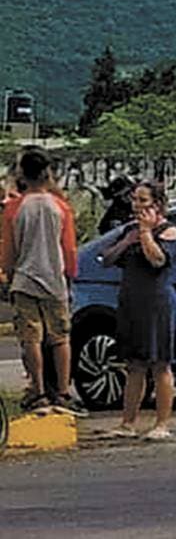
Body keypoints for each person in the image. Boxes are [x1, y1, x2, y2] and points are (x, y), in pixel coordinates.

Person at [0, 149, 86, 416]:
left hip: (25, 280)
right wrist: (70, 274)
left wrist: (9, 274)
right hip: (54, 280)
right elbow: (69, 247)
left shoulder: (14, 208)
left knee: (31, 339)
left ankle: (37, 391)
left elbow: (9, 250)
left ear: (22, 174)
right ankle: (63, 391)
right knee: (60, 338)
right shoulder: (60, 207)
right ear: (47, 173)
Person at [99, 181, 176, 440]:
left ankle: (162, 423)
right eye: (135, 199)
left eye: (143, 200)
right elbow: (107, 258)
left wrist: (146, 233)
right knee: (134, 365)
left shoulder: (169, 232)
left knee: (160, 365)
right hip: (132, 303)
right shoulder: (129, 231)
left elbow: (158, 260)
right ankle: (128, 422)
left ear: (157, 204)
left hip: (157, 304)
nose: (137, 205)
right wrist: (128, 240)